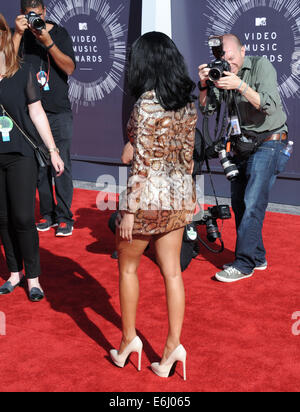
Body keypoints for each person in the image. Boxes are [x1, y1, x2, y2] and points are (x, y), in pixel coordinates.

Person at [109, 31, 197, 380]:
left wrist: (128, 211)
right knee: (172, 273)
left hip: (145, 202)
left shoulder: (145, 104)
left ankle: (129, 340)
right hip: (177, 198)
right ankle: (173, 346)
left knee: (128, 269)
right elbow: (187, 158)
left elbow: (140, 161)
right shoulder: (187, 104)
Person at [198, 34, 289, 283]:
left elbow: (268, 105)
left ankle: (244, 263)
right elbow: (207, 109)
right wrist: (205, 84)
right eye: (222, 58)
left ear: (243, 51)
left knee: (252, 201)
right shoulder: (221, 72)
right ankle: (257, 257)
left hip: (270, 140)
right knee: (239, 202)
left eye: (232, 57)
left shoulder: (261, 66)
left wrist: (239, 85)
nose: (228, 62)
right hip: (242, 144)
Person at [0, 13, 64, 301]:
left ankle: (33, 277)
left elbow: (37, 112)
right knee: (2, 219)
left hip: (21, 154)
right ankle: (14, 273)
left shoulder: (22, 70)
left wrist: (52, 150)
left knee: (24, 217)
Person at [13, 0, 76, 237]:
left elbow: (70, 68)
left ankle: (64, 216)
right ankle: (47, 213)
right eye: (29, 16)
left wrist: (48, 43)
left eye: (37, 15)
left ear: (45, 13)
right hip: (29, 109)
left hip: (58, 109)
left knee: (61, 164)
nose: (34, 21)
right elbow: (5, 62)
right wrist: (19, 34)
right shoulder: (18, 35)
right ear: (21, 15)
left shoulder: (59, 33)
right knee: (39, 165)